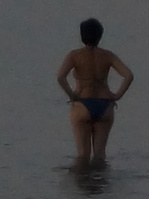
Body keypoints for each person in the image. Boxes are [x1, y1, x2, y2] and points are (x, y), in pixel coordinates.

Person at [56, 18, 134, 166]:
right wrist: (117, 95)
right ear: (100, 35)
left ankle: (82, 186)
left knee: (83, 155)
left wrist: (72, 95)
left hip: (82, 104)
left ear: (82, 35)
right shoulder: (108, 55)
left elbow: (60, 77)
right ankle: (101, 185)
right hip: (105, 106)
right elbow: (129, 75)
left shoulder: (74, 55)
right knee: (99, 155)